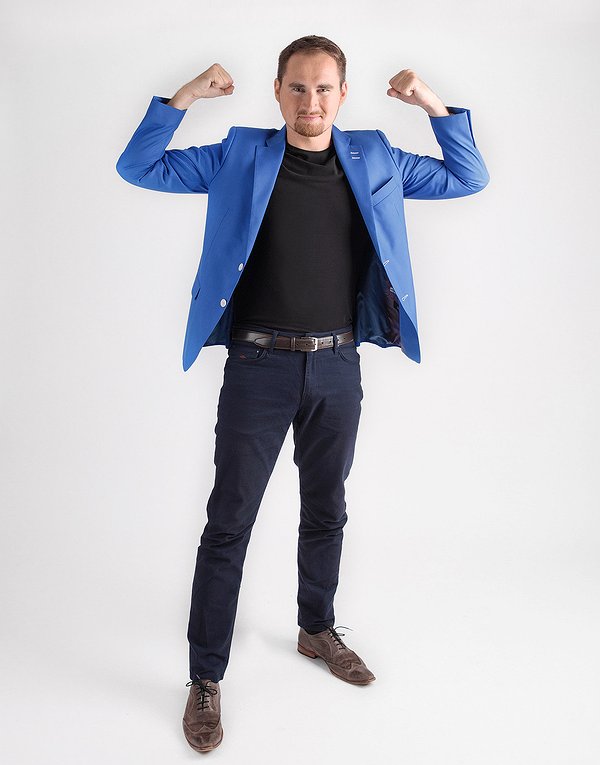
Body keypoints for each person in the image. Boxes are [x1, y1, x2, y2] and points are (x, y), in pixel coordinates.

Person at [116, 35, 489, 753]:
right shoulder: (238, 155)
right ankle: (205, 677)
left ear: (342, 95)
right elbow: (139, 166)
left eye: (323, 89)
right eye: (297, 87)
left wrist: (430, 104)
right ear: (278, 92)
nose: (310, 102)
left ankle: (316, 628)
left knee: (328, 509)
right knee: (229, 522)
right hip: (257, 368)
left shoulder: (375, 157)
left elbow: (468, 177)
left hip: (338, 365)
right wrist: (187, 95)